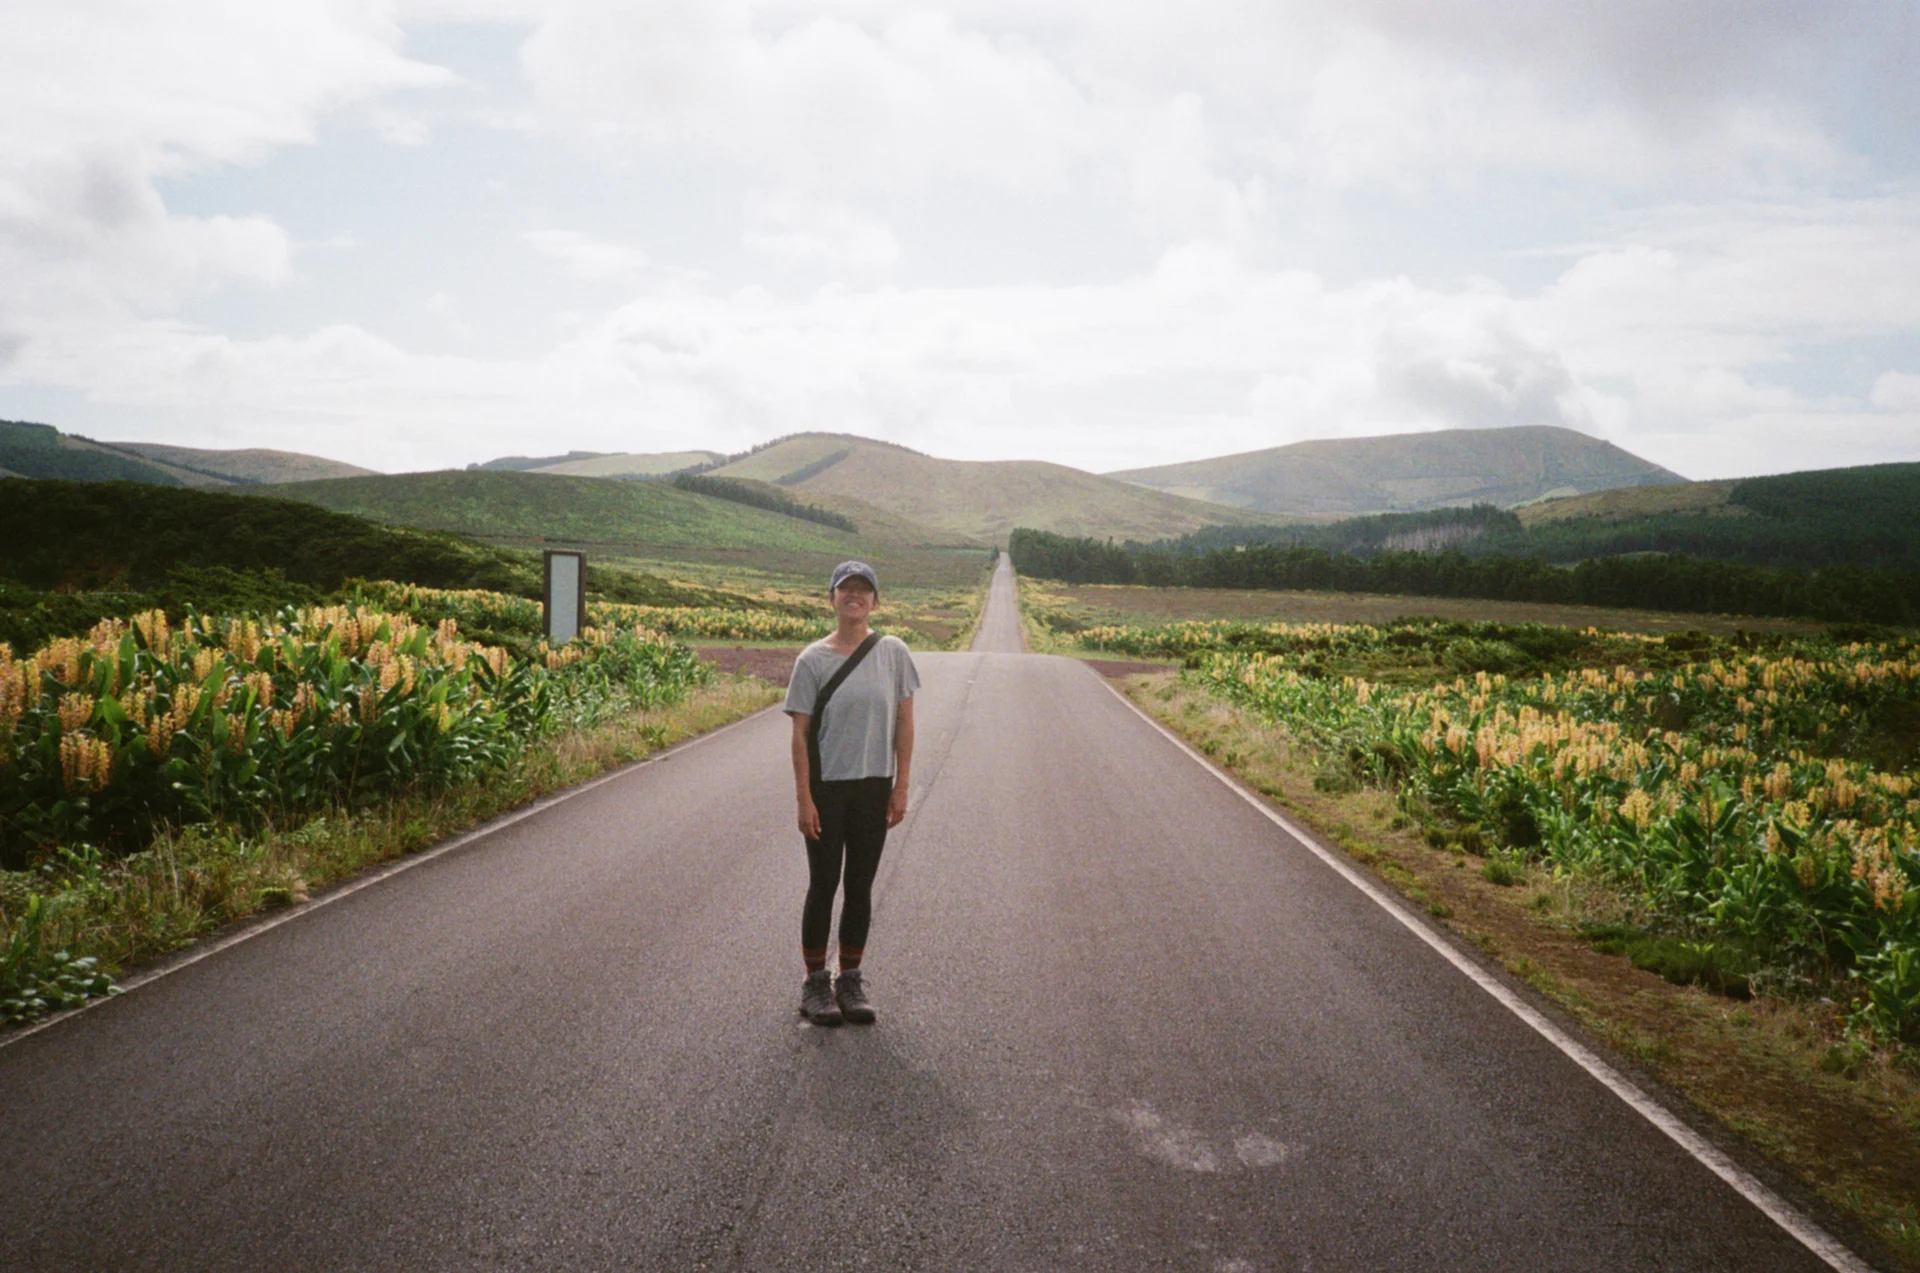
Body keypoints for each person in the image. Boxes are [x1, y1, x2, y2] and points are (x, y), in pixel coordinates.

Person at [783, 560, 919, 1026]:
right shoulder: (812, 660)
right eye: (846, 589)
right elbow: (799, 735)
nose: (854, 596)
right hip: (827, 789)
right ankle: (815, 983)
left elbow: (905, 722)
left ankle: (851, 979)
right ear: (832, 599)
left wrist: (901, 786)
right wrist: (804, 798)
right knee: (823, 884)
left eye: (864, 590)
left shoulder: (894, 652)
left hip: (873, 787)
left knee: (860, 885)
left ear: (875, 601)